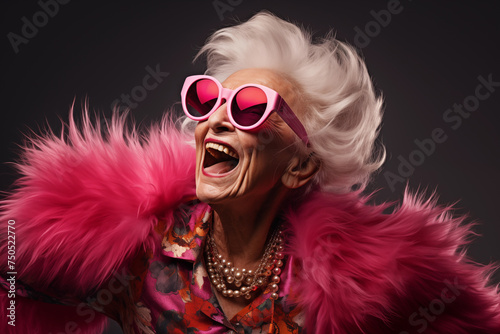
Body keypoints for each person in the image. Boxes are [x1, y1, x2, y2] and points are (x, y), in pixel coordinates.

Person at [1, 11, 499, 334]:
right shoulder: (141, 243)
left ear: (301, 164)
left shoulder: (359, 286)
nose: (215, 118)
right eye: (208, 101)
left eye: (250, 108)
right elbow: (10, 272)